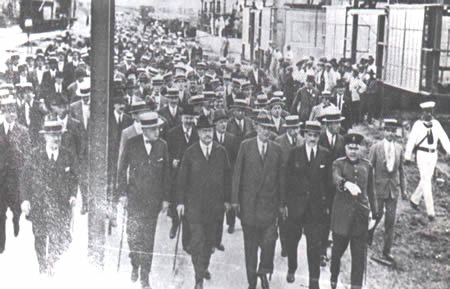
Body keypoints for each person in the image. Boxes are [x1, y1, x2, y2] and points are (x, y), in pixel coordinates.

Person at [177, 115, 232, 289]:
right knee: (197, 242)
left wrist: (228, 201)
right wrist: (180, 202)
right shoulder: (190, 152)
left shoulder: (220, 151)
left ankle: (203, 267)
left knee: (209, 243)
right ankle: (198, 278)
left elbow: (227, 177)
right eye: (204, 131)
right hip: (195, 207)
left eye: (210, 131)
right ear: (198, 133)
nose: (208, 134)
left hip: (214, 208)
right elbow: (181, 180)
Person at [232, 111, 284, 289]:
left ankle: (264, 270)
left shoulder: (276, 149)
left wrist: (281, 204)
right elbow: (237, 174)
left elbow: (280, 179)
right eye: (263, 128)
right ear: (256, 128)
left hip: (269, 206)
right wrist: (235, 201)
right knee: (251, 247)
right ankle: (252, 281)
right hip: (249, 207)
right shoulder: (245, 146)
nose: (266, 132)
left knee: (269, 243)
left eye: (269, 129)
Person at [117, 111, 170, 289]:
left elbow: (167, 174)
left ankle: (145, 276)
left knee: (148, 240)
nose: (158, 132)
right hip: (134, 200)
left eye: (158, 129)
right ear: (145, 130)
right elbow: (121, 169)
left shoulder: (163, 146)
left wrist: (166, 199)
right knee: (133, 236)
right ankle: (135, 263)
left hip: (153, 202)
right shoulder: (132, 144)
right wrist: (122, 194)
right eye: (154, 129)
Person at [21, 119, 78, 275]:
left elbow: (74, 178)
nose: (56, 139)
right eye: (52, 135)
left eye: (58, 135)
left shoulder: (67, 155)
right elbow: (25, 179)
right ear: (45, 136)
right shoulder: (35, 155)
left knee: (56, 238)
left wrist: (73, 195)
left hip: (60, 206)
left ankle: (51, 266)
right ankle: (42, 265)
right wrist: (25, 200)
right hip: (40, 205)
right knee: (40, 237)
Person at [330, 133, 379, 289]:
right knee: (336, 255)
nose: (353, 151)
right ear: (345, 148)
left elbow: (371, 191)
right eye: (350, 148)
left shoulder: (367, 165)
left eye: (356, 148)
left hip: (360, 218)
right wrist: (345, 184)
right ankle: (333, 280)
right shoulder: (338, 164)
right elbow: (335, 178)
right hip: (342, 219)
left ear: (360, 148)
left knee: (358, 260)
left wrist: (374, 214)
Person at [368, 119, 407, 262]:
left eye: (393, 131)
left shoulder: (399, 148)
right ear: (383, 131)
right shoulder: (376, 147)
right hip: (378, 188)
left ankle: (387, 251)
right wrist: (368, 188)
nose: (390, 133)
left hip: (393, 189)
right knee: (376, 215)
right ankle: (369, 233)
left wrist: (404, 189)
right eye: (388, 130)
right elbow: (369, 169)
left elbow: (401, 170)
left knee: (390, 221)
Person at [405, 101, 450, 221]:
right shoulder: (418, 125)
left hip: (433, 155)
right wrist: (407, 156)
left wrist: (449, 151)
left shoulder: (436, 124)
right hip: (422, 154)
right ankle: (431, 211)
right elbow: (411, 141)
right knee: (426, 181)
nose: (429, 114)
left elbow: (444, 138)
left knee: (426, 179)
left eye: (430, 111)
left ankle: (414, 199)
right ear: (422, 112)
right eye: (426, 111)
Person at [0, 95, 31, 253]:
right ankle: (1, 245)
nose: (11, 114)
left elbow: (28, 156)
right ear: (2, 111)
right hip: (0, 180)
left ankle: (16, 222)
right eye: (7, 111)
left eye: (13, 111)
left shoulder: (23, 132)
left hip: (16, 179)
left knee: (16, 209)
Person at [166, 105, 199, 250]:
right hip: (175, 173)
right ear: (181, 118)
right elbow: (166, 152)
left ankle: (187, 239)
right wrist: (172, 160)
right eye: (186, 118)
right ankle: (174, 223)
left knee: (187, 204)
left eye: (191, 118)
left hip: (192, 176)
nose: (188, 121)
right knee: (175, 202)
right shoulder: (173, 133)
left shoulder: (197, 134)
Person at [318, 106, 346, 265]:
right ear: (328, 124)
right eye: (335, 123)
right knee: (323, 220)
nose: (338, 126)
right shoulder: (320, 138)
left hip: (336, 188)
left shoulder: (342, 140)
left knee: (335, 220)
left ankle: (333, 251)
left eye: (339, 123)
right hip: (322, 187)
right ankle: (321, 252)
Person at [274, 115, 303, 258]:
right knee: (283, 218)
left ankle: (292, 244)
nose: (295, 131)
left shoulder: (302, 141)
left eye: (297, 128)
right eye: (292, 128)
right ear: (287, 129)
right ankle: (284, 244)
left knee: (296, 219)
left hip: (298, 187)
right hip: (282, 185)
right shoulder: (279, 142)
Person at [213, 109, 239, 243]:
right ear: (215, 124)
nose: (223, 125)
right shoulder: (211, 138)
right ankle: (217, 239)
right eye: (220, 122)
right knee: (217, 207)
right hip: (215, 177)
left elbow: (236, 158)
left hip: (229, 175)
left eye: (225, 122)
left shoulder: (232, 138)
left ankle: (231, 223)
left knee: (230, 199)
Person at [70, 79, 91, 214]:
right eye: (83, 96)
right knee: (81, 176)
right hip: (79, 147)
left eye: (87, 96)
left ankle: (90, 201)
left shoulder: (96, 106)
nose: (85, 99)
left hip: (92, 146)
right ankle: (85, 202)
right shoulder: (74, 107)